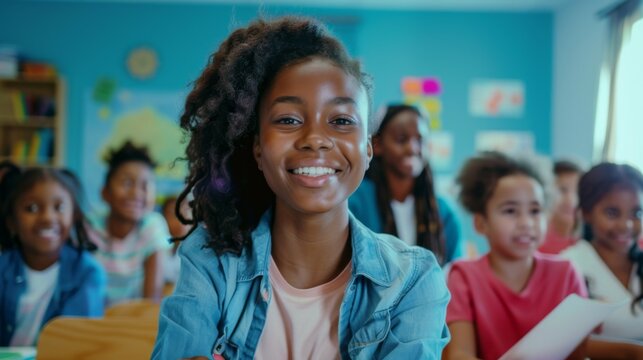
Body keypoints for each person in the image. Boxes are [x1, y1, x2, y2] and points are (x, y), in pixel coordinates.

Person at [153, 16, 450, 359]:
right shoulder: (213, 259)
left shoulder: (413, 281)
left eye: (340, 121)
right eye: (288, 120)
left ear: (368, 149)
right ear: (258, 149)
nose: (315, 139)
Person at [443, 151, 588, 360]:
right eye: (510, 211)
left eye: (535, 211)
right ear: (481, 222)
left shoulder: (566, 273)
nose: (526, 223)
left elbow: (579, 351)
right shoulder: (464, 276)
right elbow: (460, 354)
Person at [0, 167, 106, 346]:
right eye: (32, 208)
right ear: (12, 222)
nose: (48, 218)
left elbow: (77, 343)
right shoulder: (3, 267)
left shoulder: (87, 273)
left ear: (73, 216)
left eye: (59, 207)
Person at [349, 104, 462, 264]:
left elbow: (453, 274)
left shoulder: (443, 212)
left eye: (420, 140)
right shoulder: (355, 201)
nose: (412, 148)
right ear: (377, 145)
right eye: (402, 140)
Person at [561, 163, 643, 359]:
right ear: (586, 213)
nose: (626, 225)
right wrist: (632, 352)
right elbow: (565, 344)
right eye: (612, 213)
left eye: (637, 213)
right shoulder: (567, 266)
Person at [89, 141, 171, 306]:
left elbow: (151, 303)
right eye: (127, 183)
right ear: (105, 193)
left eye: (145, 185)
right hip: (92, 323)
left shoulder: (153, 226)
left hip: (135, 324)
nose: (136, 193)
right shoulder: (90, 227)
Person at [539, 160, 583, 254]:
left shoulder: (584, 244)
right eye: (563, 190)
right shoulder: (536, 239)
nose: (571, 200)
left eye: (578, 192)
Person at [160, 195, 191, 285]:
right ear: (163, 218)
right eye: (174, 215)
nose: (181, 221)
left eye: (185, 213)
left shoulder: (196, 249)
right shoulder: (157, 246)